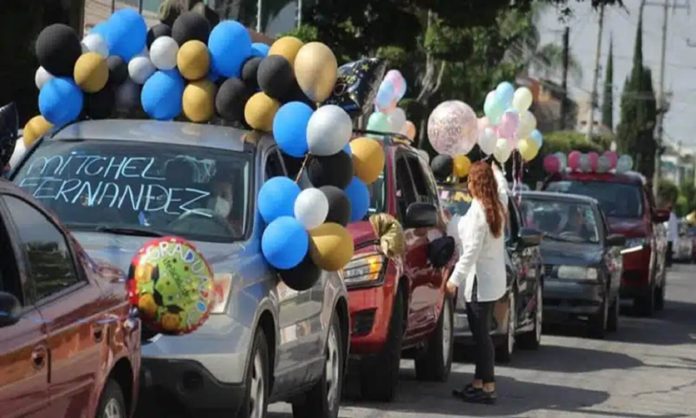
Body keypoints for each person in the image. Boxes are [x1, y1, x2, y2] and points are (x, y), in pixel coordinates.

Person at [447, 161, 507, 404]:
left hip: (480, 285)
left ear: (477, 184)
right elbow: (503, 187)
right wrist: (496, 170)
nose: (468, 185)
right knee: (482, 335)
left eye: (470, 181)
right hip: (492, 283)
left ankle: (488, 387)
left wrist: (453, 281)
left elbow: (470, 252)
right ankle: (479, 382)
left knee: (481, 337)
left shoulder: (480, 213)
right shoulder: (497, 204)